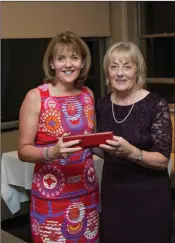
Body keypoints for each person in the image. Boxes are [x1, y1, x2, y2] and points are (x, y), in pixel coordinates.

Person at [18, 31, 100, 243]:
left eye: (74, 57)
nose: (68, 64)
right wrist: (51, 152)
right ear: (52, 63)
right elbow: (23, 150)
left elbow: (89, 140)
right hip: (51, 197)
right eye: (61, 58)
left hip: (86, 191)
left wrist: (109, 146)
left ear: (82, 62)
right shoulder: (36, 97)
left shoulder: (88, 94)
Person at [95, 41, 173, 243]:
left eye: (127, 66)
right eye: (114, 66)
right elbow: (107, 151)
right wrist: (83, 143)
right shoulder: (102, 105)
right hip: (114, 198)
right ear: (107, 72)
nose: (120, 73)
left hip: (149, 200)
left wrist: (131, 152)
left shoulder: (156, 105)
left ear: (137, 70)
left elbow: (163, 160)